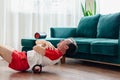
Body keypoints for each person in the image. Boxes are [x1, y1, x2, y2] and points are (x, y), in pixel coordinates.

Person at [0, 38, 77, 73]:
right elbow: (37, 42)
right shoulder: (57, 53)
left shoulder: (55, 53)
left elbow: (35, 47)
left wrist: (45, 43)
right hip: (23, 57)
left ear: (66, 47)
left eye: (64, 40)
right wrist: (45, 43)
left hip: (22, 61)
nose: (61, 40)